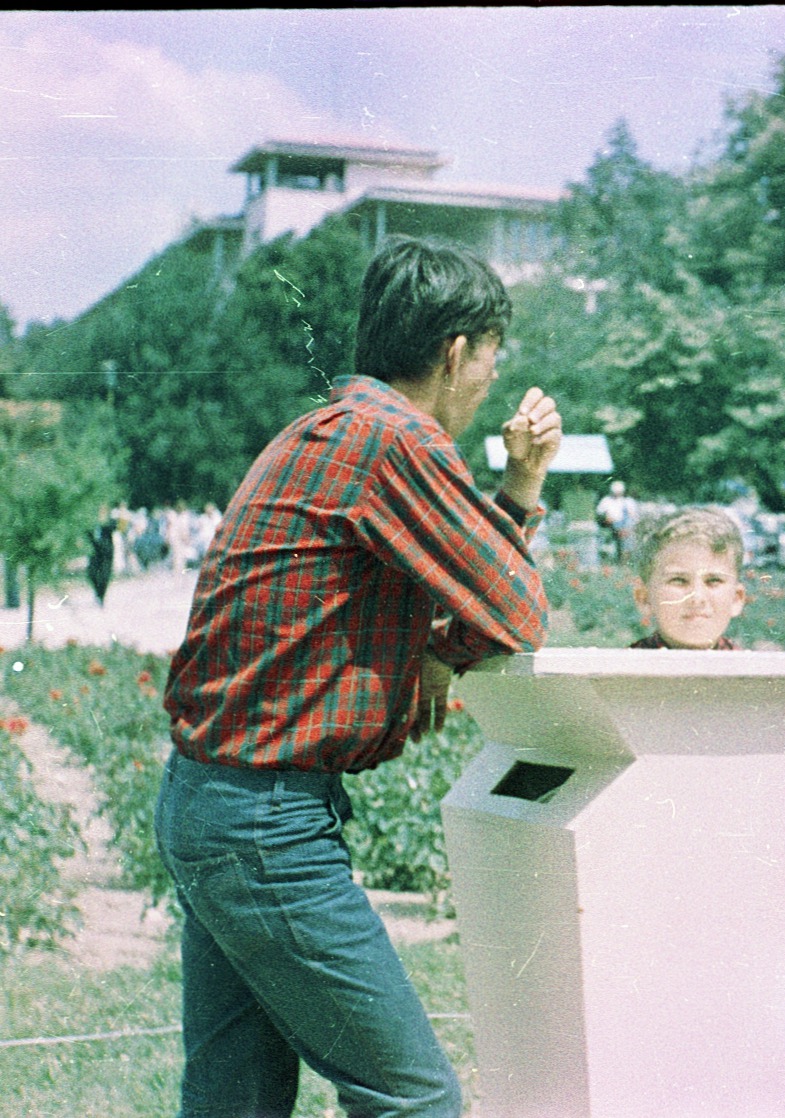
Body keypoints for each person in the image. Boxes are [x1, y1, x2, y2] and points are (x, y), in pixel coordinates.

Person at [156, 236, 562, 1118]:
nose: (492, 378)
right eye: (492, 357)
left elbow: (437, 593)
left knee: (237, 1096)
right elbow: (513, 608)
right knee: (414, 1100)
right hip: (268, 823)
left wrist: (430, 642)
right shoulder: (395, 441)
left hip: (209, 801)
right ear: (456, 352)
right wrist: (520, 496)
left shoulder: (330, 427)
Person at [628, 506, 747, 650]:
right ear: (644, 598)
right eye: (679, 580)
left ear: (736, 598)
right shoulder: (619, 669)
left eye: (713, 581)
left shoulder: (754, 669)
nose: (696, 597)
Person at [596, 479, 639, 562]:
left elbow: (634, 516)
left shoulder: (628, 501)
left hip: (626, 527)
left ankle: (625, 560)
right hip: (611, 526)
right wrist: (607, 518)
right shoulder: (606, 500)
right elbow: (600, 513)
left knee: (627, 531)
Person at [87, 509, 116, 607]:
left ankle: (101, 596)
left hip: (106, 552)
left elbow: (114, 527)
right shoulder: (91, 522)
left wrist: (103, 522)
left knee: (104, 575)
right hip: (94, 551)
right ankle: (97, 593)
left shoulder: (109, 521)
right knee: (92, 573)